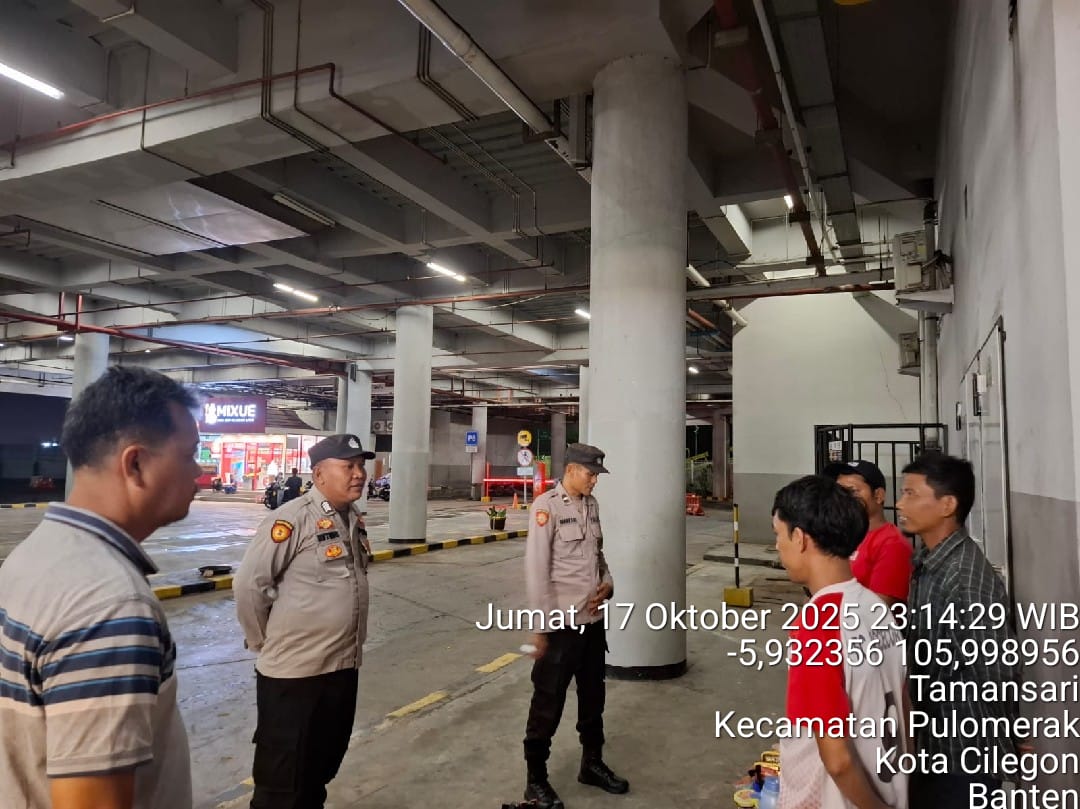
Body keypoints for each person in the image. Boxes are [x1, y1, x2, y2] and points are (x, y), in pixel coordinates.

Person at [0, 366, 200, 809]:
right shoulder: (111, 605)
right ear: (136, 464)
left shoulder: (37, 553)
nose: (199, 471)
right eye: (189, 455)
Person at [235, 434, 375, 809]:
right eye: (349, 466)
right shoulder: (292, 519)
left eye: (361, 465)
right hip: (295, 675)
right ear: (319, 474)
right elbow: (250, 585)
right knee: (282, 784)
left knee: (319, 770)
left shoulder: (352, 519)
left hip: (341, 668)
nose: (359, 474)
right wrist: (264, 642)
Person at [772, 475, 907, 809]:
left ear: (800, 538)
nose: (777, 546)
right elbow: (905, 707)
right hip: (893, 787)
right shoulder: (875, 606)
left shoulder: (817, 625)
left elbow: (838, 760)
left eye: (778, 534)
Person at [897, 452, 1018, 806]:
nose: (900, 503)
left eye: (911, 494)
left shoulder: (966, 579)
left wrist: (1006, 738)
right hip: (931, 743)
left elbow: (996, 672)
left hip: (963, 756)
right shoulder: (929, 561)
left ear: (947, 505)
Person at [521, 442, 628, 809]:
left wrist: (608, 584)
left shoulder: (591, 506)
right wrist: (541, 629)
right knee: (547, 703)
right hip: (560, 627)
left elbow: (598, 556)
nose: (594, 480)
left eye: (596, 474)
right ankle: (535, 781)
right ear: (570, 470)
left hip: (592, 623)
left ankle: (591, 764)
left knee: (593, 697)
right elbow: (537, 571)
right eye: (590, 473)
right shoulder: (546, 507)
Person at [823, 460, 913, 605]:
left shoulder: (892, 545)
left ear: (878, 495)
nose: (843, 499)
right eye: (839, 492)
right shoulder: (839, 537)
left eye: (852, 491)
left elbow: (876, 609)